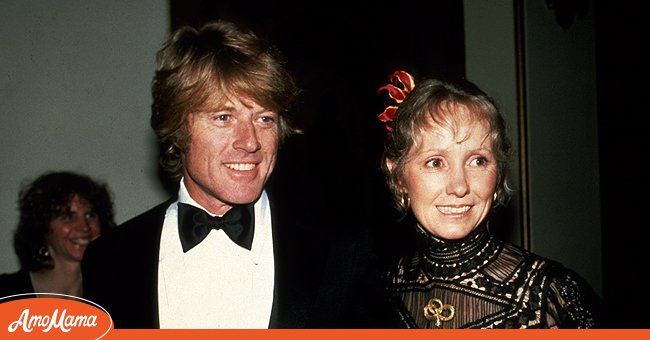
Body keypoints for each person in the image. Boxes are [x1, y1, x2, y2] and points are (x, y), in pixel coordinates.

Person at [81, 19, 390, 329]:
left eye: (265, 119)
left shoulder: (340, 254)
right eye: (224, 117)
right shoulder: (110, 259)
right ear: (178, 129)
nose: (250, 141)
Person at [376, 70, 604, 328]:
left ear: (498, 172)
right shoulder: (379, 291)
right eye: (435, 162)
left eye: (477, 160)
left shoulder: (550, 296)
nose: (459, 186)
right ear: (398, 176)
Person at [0, 171, 115, 299]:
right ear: (42, 226)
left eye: (90, 215)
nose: (85, 227)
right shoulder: (5, 292)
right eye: (67, 216)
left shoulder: (115, 295)